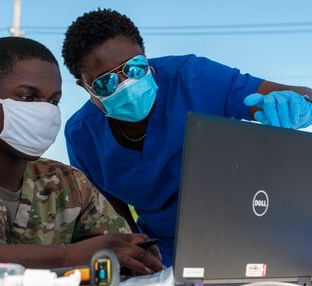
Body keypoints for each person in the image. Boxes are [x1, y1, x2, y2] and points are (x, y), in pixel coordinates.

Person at [61, 8, 312, 266]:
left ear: (145, 56)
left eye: (135, 68)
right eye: (106, 83)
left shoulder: (194, 78)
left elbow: (303, 95)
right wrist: (145, 263)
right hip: (167, 250)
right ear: (85, 87)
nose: (126, 83)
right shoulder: (83, 136)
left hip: (251, 228)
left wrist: (301, 106)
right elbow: (118, 224)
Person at [0, 36, 164, 275]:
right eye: (27, 97)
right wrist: (67, 256)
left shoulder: (69, 185)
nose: (44, 111)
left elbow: (124, 252)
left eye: (53, 101)